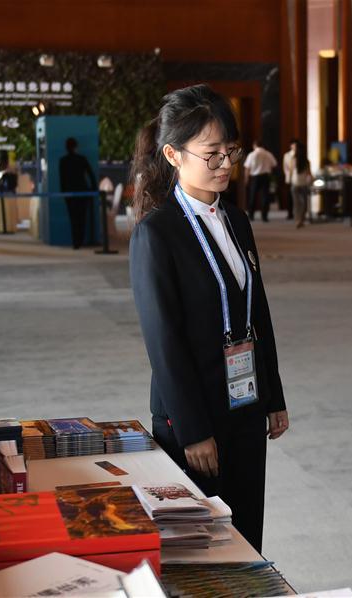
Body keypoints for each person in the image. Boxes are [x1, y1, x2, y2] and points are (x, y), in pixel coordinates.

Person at [129, 84, 289, 553]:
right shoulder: (157, 234)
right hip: (193, 415)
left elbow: (257, 312)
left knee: (245, 535)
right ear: (174, 155)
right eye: (212, 154)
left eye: (230, 152)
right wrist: (194, 428)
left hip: (244, 403)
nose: (226, 165)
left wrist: (272, 394)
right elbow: (164, 343)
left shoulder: (237, 221)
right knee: (199, 547)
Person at [59, 137, 97, 249]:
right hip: (83, 191)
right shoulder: (82, 159)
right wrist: (93, 189)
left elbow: (62, 179)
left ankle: (76, 242)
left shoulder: (63, 161)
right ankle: (80, 240)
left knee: (73, 218)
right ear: (76, 147)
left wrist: (63, 193)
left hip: (69, 193)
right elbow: (91, 174)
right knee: (82, 217)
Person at [243, 140, 277, 222]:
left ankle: (251, 215)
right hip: (266, 176)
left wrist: (246, 178)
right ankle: (264, 216)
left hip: (255, 177)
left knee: (253, 196)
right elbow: (274, 164)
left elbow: (247, 167)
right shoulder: (268, 154)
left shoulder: (252, 154)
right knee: (265, 196)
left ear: (255, 145)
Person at [290, 141, 313, 228]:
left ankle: (297, 220)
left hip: (295, 183)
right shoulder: (306, 161)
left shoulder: (293, 159)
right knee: (304, 203)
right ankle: (301, 219)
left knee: (296, 204)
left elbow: (291, 171)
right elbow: (309, 173)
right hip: (303, 184)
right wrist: (312, 180)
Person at [282, 139, 297, 220]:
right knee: (289, 196)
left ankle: (297, 212)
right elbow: (285, 166)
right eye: (293, 145)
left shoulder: (299, 155)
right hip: (289, 178)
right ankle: (290, 213)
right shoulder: (287, 155)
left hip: (297, 178)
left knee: (296, 197)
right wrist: (287, 173)